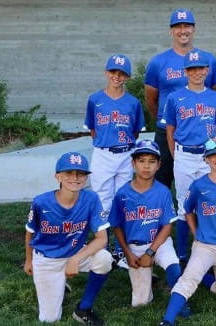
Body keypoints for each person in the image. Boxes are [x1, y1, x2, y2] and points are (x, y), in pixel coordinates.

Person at [158, 134, 216, 326]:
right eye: (213, 155)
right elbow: (187, 210)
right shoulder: (198, 185)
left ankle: (203, 274)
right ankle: (168, 320)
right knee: (188, 281)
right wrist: (196, 233)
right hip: (206, 245)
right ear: (205, 159)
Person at [24, 152, 112, 325]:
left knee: (104, 258)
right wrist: (29, 260)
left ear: (86, 177)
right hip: (47, 259)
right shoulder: (41, 202)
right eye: (68, 173)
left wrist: (76, 258)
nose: (75, 178)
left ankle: (84, 308)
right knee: (49, 319)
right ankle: (57, 284)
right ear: (58, 176)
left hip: (75, 253)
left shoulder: (91, 199)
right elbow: (30, 232)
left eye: (80, 173)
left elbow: (102, 239)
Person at [144, 8, 216, 189]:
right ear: (171, 31)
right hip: (167, 131)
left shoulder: (208, 60)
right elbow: (151, 98)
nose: (183, 31)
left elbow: (215, 92)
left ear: (194, 29)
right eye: (178, 26)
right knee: (161, 181)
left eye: (187, 26)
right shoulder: (158, 62)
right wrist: (167, 119)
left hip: (201, 132)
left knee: (207, 184)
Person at [108, 140, 188, 313]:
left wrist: (150, 252)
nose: (146, 166)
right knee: (141, 303)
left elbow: (167, 227)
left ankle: (180, 301)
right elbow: (117, 227)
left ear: (159, 165)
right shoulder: (122, 194)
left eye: (152, 161)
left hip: (158, 242)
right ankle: (148, 281)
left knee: (173, 263)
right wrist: (127, 254)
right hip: (134, 247)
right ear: (133, 163)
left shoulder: (163, 191)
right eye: (142, 161)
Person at [163, 49, 216, 263]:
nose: (197, 72)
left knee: (209, 202)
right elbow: (170, 129)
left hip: (208, 156)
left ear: (207, 70)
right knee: (184, 204)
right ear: (186, 71)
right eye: (192, 69)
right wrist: (175, 154)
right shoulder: (175, 97)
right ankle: (182, 255)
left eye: (201, 68)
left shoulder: (215, 97)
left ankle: (209, 251)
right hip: (185, 155)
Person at [84, 54, 145, 269]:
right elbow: (93, 128)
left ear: (127, 77)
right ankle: (102, 246)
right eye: (113, 72)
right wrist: (104, 143)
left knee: (123, 201)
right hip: (103, 153)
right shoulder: (95, 99)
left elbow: (135, 130)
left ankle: (121, 250)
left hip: (126, 153)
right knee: (102, 201)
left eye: (121, 73)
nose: (116, 77)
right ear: (106, 73)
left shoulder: (133, 102)